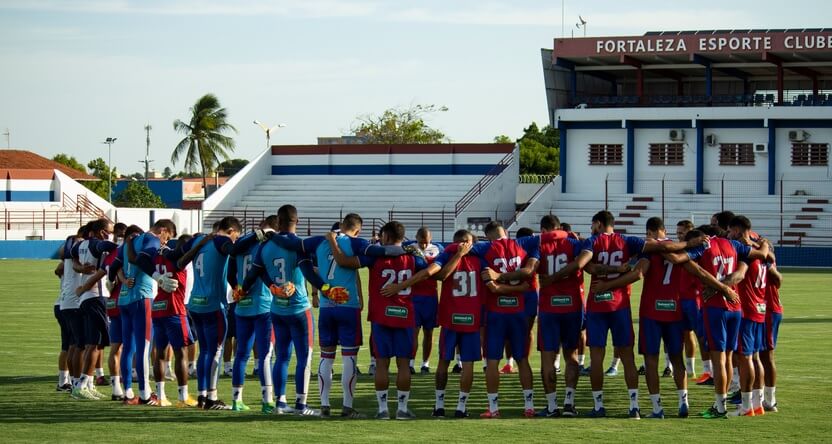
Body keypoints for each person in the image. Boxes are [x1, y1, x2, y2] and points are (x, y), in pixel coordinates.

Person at [268, 213, 408, 418]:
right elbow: (384, 250)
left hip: (326, 306)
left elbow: (296, 250)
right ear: (358, 230)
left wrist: (271, 235)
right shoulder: (357, 243)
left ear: (341, 225)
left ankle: (324, 405)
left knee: (326, 357)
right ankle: (347, 407)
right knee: (349, 357)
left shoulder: (319, 241)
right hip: (348, 306)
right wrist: (406, 249)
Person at [581, 211, 705, 419]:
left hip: (636, 309)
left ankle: (648, 408)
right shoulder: (633, 242)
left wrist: (606, 283)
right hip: (665, 308)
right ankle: (655, 405)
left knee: (617, 358)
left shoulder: (595, 241)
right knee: (669, 358)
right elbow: (694, 269)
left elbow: (636, 273)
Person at [666, 224, 769, 419]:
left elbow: (679, 259)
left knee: (719, 359)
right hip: (735, 307)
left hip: (715, 307)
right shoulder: (733, 245)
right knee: (729, 358)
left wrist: (672, 246)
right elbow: (759, 256)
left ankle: (720, 407)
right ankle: (723, 403)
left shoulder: (704, 246)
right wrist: (765, 244)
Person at [379, 230, 480, 418]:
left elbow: (437, 275)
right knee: (467, 364)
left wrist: (457, 253)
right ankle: (460, 408)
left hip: (450, 315)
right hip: (471, 317)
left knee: (443, 360)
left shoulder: (445, 253)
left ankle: (440, 405)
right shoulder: (481, 258)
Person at [473, 221, 568, 418]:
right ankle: (529, 406)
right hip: (518, 311)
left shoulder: (484, 248)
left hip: (495, 312)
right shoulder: (523, 244)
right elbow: (550, 237)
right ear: (506, 232)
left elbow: (491, 285)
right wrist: (568, 235)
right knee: (522, 359)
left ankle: (493, 408)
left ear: (488, 236)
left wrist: (500, 283)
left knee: (491, 361)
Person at [241, 206, 325, 416]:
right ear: (297, 220)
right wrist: (326, 289)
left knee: (282, 357)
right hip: (298, 308)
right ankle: (301, 405)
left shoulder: (265, 246)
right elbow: (308, 273)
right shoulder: (297, 245)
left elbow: (253, 275)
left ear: (278, 222)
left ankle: (280, 402)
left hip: (276, 309)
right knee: (304, 357)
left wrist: (270, 287)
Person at [110, 219, 178, 405]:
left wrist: (122, 279)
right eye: (167, 237)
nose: (165, 242)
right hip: (143, 296)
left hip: (124, 299)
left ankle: (128, 392)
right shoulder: (152, 239)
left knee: (128, 348)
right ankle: (145, 394)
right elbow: (142, 259)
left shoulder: (128, 242)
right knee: (144, 347)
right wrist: (158, 277)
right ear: (162, 230)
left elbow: (113, 268)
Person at [178, 217, 240, 410]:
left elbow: (179, 261)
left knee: (205, 351)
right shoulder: (222, 240)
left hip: (195, 303)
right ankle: (212, 398)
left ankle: (202, 396)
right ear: (230, 230)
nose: (235, 240)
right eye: (235, 236)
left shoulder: (198, 240)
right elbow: (236, 251)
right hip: (214, 305)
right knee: (215, 352)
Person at [134, 233, 201, 408]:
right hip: (175, 310)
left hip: (159, 308)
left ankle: (161, 395)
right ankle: (182, 396)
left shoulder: (158, 257)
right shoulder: (179, 260)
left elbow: (141, 259)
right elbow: (189, 254)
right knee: (181, 354)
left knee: (161, 355)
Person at [535, 215, 587, 417]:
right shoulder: (573, 243)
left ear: (543, 228)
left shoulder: (539, 244)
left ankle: (551, 406)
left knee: (548, 358)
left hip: (549, 307)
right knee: (571, 355)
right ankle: (569, 404)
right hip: (572, 306)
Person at [229, 216, 277, 413]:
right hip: (263, 304)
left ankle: (237, 400)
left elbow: (230, 272)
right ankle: (267, 400)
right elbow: (262, 271)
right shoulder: (267, 244)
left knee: (241, 355)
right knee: (265, 355)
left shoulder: (242, 243)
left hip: (242, 306)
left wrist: (236, 288)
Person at [727, 216, 771, 417]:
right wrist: (760, 245)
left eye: (729, 231)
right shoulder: (762, 251)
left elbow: (740, 274)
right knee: (755, 358)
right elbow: (765, 253)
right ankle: (758, 403)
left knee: (745, 359)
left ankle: (746, 407)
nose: (728, 235)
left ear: (736, 230)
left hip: (746, 309)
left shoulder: (743, 249)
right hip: (760, 309)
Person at [72, 218, 117, 400]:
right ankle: (82, 385)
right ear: (101, 232)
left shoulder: (81, 245)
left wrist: (80, 268)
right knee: (96, 343)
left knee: (94, 342)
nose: (111, 234)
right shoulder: (97, 244)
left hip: (86, 298)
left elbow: (71, 254)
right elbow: (113, 248)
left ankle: (87, 384)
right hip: (96, 296)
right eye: (110, 231)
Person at [403, 227, 443, 375]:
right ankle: (411, 363)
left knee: (429, 332)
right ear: (416, 238)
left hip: (431, 297)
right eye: (421, 242)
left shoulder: (438, 249)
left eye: (426, 242)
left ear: (430, 239)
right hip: (414, 297)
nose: (424, 245)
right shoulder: (409, 248)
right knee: (413, 332)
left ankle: (425, 364)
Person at [761, 260, 783, 412]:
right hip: (762, 311)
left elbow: (779, 279)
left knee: (766, 355)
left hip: (768, 311)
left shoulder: (767, 265)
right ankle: (761, 397)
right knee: (757, 355)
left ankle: (770, 400)